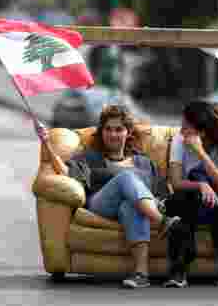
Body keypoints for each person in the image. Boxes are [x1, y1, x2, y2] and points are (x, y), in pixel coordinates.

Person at [37, 104, 179, 289]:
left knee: (130, 206)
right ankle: (163, 223)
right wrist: (47, 143)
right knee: (127, 176)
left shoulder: (144, 162)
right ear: (102, 132)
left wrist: (158, 203)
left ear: (128, 133)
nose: (113, 134)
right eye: (108, 129)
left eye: (119, 129)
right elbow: (65, 171)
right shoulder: (90, 158)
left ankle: (141, 274)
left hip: (137, 206)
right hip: (101, 204)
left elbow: (161, 193)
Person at [161, 101, 218, 289]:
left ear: (202, 132)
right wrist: (201, 185)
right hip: (187, 200)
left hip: (217, 203)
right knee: (190, 196)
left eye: (186, 127)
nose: (181, 130)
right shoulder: (179, 141)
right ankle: (179, 266)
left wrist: (200, 152)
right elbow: (176, 182)